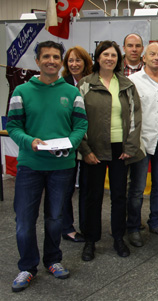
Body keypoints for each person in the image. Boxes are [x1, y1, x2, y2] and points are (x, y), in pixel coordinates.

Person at [7, 40, 88, 292]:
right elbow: (13, 126)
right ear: (37, 60)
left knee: (55, 218)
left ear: (61, 61)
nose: (51, 61)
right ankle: (27, 267)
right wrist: (30, 142)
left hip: (62, 165)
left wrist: (70, 144)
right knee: (24, 220)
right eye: (46, 57)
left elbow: (81, 126)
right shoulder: (22, 91)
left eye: (56, 57)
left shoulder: (73, 93)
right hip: (30, 165)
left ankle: (53, 260)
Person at [78, 40, 144, 261]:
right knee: (93, 196)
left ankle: (118, 237)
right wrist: (85, 149)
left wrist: (131, 146)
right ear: (97, 57)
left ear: (119, 59)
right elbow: (77, 119)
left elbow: (135, 118)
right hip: (93, 148)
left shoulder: (126, 84)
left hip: (120, 148)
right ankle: (90, 240)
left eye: (113, 55)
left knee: (119, 195)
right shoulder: (85, 84)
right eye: (105, 54)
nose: (109, 58)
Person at [126, 43, 158, 247]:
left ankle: (156, 222)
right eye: (152, 54)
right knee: (137, 188)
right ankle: (133, 227)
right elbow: (128, 113)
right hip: (141, 141)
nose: (156, 58)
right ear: (144, 57)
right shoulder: (133, 80)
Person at [60, 46, 93, 243]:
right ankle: (67, 227)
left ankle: (87, 225)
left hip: (89, 141)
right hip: (68, 142)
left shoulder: (92, 82)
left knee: (87, 187)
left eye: (78, 60)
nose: (74, 64)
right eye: (70, 61)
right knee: (66, 187)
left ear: (85, 62)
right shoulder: (61, 84)